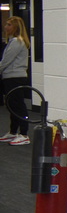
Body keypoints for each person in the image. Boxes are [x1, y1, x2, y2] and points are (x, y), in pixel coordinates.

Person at [0, 16, 31, 145]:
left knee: (19, 106)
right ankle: (13, 132)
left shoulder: (17, 42)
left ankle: (24, 134)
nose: (5, 27)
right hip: (10, 78)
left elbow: (6, 61)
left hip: (15, 78)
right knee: (12, 105)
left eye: (8, 25)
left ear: (15, 27)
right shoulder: (12, 41)